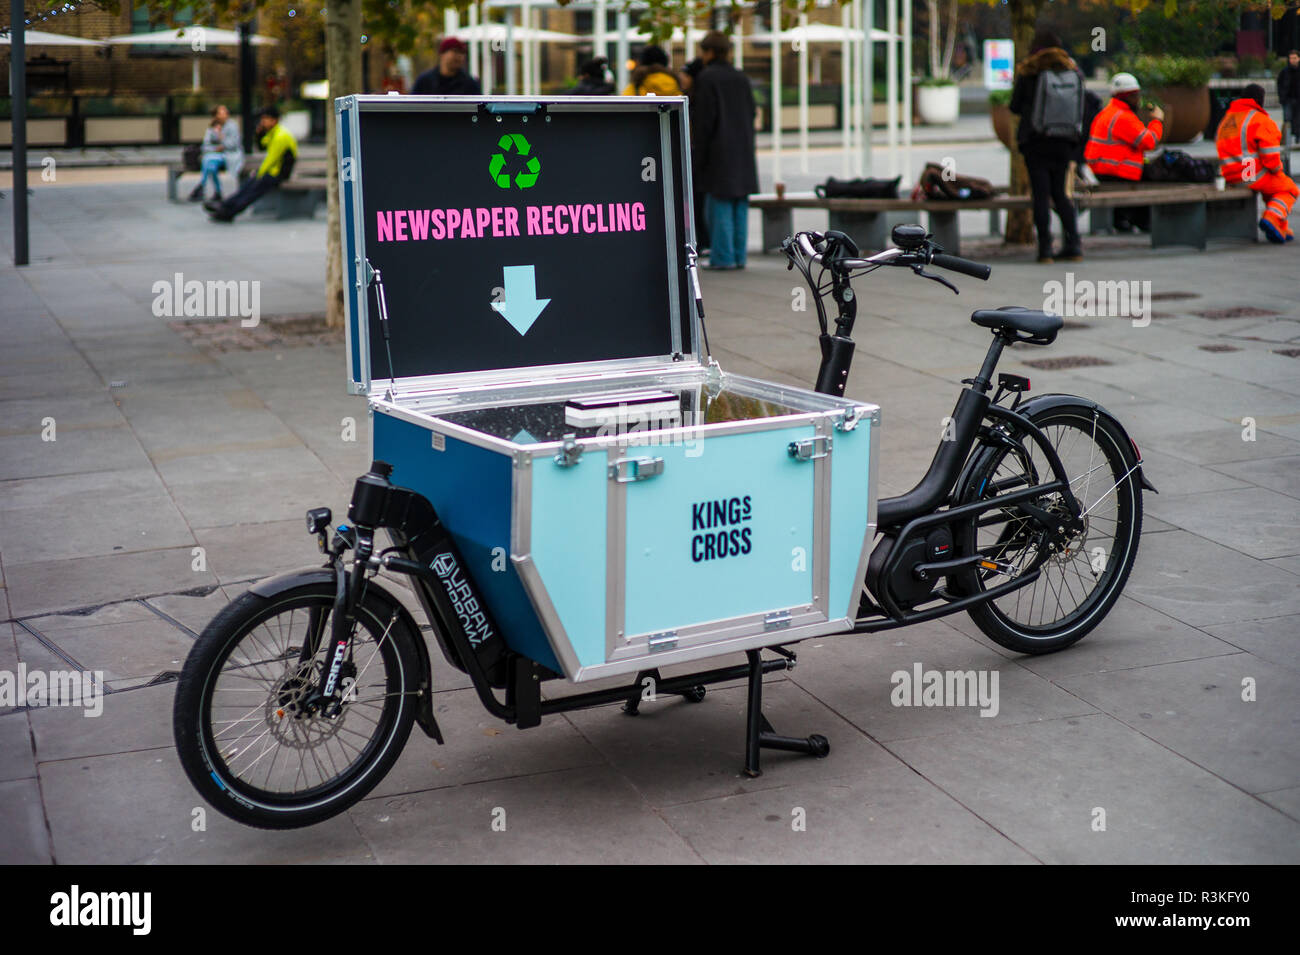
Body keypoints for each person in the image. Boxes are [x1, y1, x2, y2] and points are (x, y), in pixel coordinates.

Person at [1010, 29, 1085, 262]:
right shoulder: (1071, 69)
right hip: (1064, 141)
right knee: (1061, 195)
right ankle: (1074, 245)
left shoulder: (1030, 70)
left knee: (1041, 196)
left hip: (1036, 142)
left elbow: (1014, 106)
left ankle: (1045, 250)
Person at [690, 31, 758, 270]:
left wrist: (699, 154)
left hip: (719, 151)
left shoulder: (708, 78)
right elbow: (752, 112)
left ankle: (723, 257)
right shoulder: (741, 77)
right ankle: (739, 256)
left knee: (719, 208)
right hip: (742, 148)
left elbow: (705, 120)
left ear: (708, 52)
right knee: (739, 205)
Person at [1216, 83, 1297, 244]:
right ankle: (1272, 217)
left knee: (1272, 189)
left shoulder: (1227, 119)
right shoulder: (1259, 119)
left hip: (1229, 175)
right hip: (1248, 174)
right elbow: (1270, 157)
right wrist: (1277, 170)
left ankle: (1280, 227)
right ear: (1259, 100)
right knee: (1289, 188)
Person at [1084, 72, 1164, 232]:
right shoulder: (1123, 117)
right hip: (1115, 170)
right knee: (1158, 176)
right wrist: (1157, 121)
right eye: (1134, 96)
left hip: (1103, 169)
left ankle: (1124, 218)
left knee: (1147, 174)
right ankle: (1143, 220)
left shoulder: (1108, 112)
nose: (1138, 99)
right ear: (1125, 97)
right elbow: (1149, 142)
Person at [205, 106, 298, 223]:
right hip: (273, 171)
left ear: (274, 120)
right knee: (248, 185)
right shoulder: (274, 132)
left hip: (278, 173)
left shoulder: (281, 136)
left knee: (253, 189)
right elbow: (262, 146)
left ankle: (229, 211)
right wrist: (259, 134)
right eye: (262, 119)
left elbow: (271, 159)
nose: (263, 122)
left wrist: (259, 173)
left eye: (265, 119)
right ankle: (225, 206)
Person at [189, 104, 242, 203]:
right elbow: (206, 145)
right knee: (210, 165)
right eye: (221, 113)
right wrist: (216, 148)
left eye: (225, 112)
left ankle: (202, 186)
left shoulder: (232, 126)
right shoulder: (211, 128)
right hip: (213, 155)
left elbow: (233, 144)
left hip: (229, 155)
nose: (225, 115)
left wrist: (221, 137)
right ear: (216, 115)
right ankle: (217, 192)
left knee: (207, 160)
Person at [412, 38, 481, 95]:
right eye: (455, 51)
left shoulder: (470, 84)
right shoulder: (424, 82)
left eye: (463, 53)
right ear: (442, 54)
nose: (460, 56)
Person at [1278, 50, 1300, 145]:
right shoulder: (1284, 72)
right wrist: (1282, 97)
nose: (1292, 60)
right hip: (1287, 99)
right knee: (1287, 120)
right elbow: (1279, 84)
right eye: (1291, 58)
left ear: (1299, 58)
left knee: (1298, 119)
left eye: (1294, 58)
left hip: (1298, 100)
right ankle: (1286, 140)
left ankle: (1297, 137)